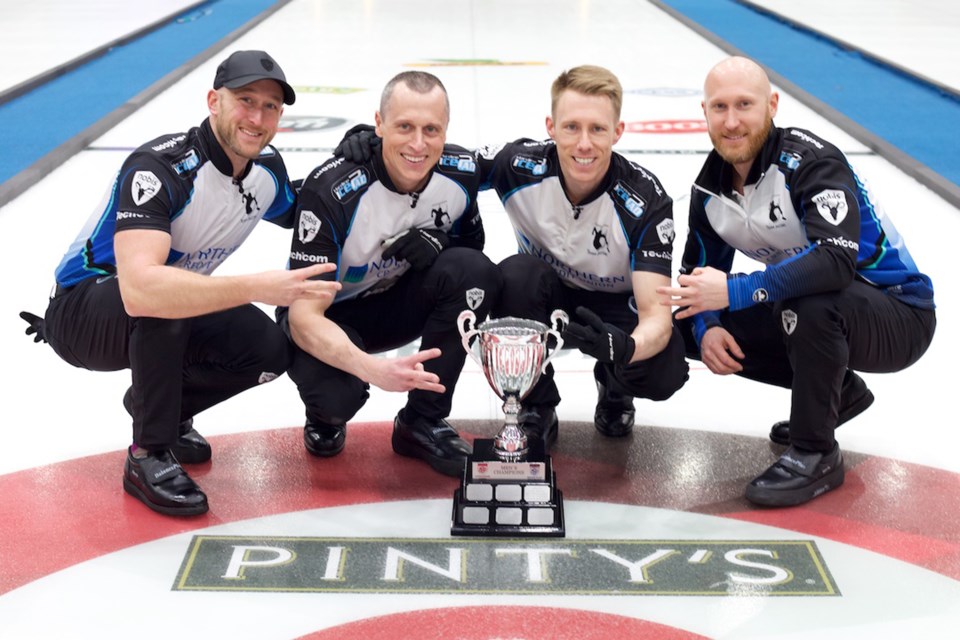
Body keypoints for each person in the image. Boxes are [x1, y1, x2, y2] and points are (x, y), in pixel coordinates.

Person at [19, 50, 339, 517]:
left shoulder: (266, 170)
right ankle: (147, 453)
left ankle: (159, 409)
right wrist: (257, 286)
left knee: (269, 350)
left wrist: (362, 161)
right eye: (245, 100)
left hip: (161, 305)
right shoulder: (162, 168)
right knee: (166, 295)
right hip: (84, 311)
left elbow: (309, 210)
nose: (258, 116)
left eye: (271, 106)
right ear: (214, 101)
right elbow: (142, 289)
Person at [337, 65, 690, 452]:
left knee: (663, 369)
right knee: (515, 275)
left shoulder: (645, 200)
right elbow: (442, 161)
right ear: (551, 127)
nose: (584, 144)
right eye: (571, 127)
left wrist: (622, 350)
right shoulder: (521, 166)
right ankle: (537, 407)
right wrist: (375, 140)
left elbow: (657, 317)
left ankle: (615, 386)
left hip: (617, 310)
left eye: (598, 129)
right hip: (546, 295)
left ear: (617, 132)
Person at [659, 56, 936, 507]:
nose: (732, 121)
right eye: (720, 107)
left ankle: (815, 452)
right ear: (704, 112)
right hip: (820, 306)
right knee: (686, 326)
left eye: (744, 105)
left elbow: (834, 264)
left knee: (809, 303)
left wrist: (736, 290)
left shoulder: (811, 162)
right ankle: (836, 394)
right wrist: (708, 327)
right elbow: (698, 277)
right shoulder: (709, 190)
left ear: (772, 105)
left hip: (900, 314)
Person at [279, 70, 500, 477]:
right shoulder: (331, 189)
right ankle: (324, 415)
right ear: (378, 125)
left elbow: (472, 254)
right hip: (328, 317)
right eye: (404, 127)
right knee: (337, 397)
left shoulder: (461, 172)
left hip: (394, 305)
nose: (418, 144)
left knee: (473, 271)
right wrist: (370, 369)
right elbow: (302, 317)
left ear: (446, 130)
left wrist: (441, 242)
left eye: (431, 129)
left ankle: (423, 421)